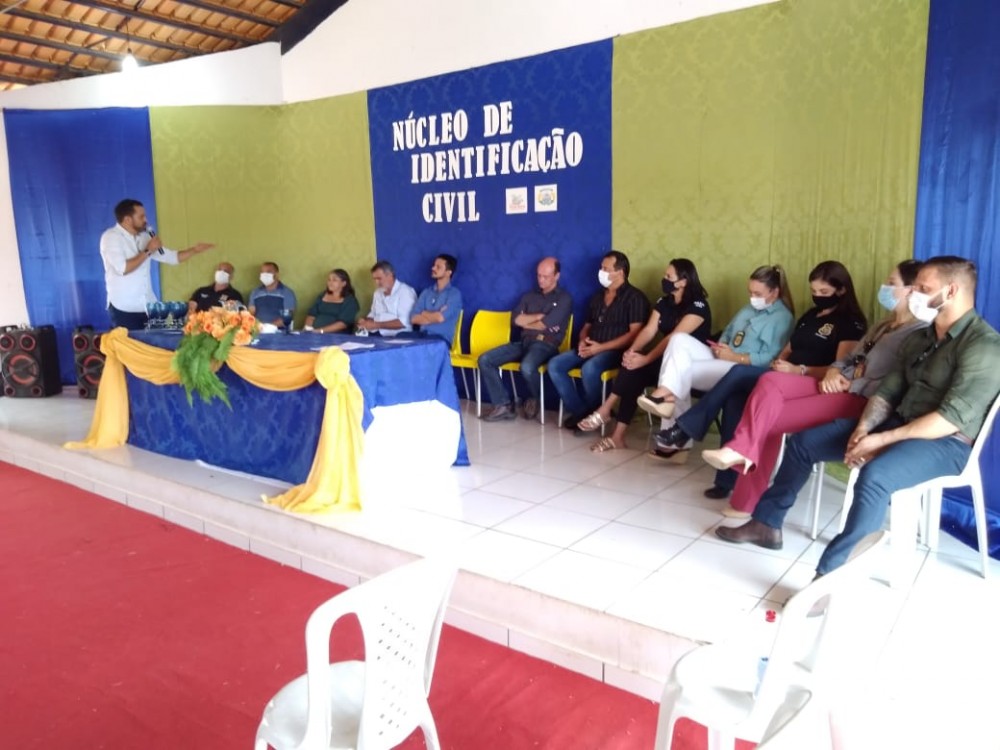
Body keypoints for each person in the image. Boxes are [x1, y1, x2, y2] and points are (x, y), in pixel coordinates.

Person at [716, 256, 1000, 577]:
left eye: (923, 288)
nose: (915, 294)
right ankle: (766, 524)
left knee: (875, 478)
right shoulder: (920, 338)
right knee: (803, 444)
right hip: (897, 425)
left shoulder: (984, 346)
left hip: (946, 444)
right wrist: (863, 429)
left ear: (951, 291)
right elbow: (888, 391)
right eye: (915, 286)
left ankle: (831, 575)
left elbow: (949, 419)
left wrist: (881, 438)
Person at [702, 260, 926, 517]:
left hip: (860, 398)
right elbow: (850, 358)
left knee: (767, 419)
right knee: (769, 381)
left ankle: (744, 495)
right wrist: (834, 370)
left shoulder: (918, 333)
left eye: (891, 283)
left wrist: (852, 381)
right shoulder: (883, 325)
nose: (885, 287)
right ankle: (741, 451)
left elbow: (894, 381)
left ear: (911, 289)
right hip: (837, 384)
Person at [655, 260, 867, 498]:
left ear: (842, 290)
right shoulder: (811, 315)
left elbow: (838, 370)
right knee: (735, 397)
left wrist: (799, 370)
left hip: (809, 382)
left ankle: (687, 428)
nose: (818, 296)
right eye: (814, 291)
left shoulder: (849, 322)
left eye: (824, 292)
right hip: (783, 375)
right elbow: (788, 348)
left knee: (738, 373)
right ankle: (726, 480)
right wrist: (780, 361)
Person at [629, 265, 795, 463]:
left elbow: (771, 358)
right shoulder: (749, 308)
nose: (752, 297)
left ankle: (670, 424)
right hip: (721, 358)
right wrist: (722, 344)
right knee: (679, 340)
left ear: (774, 292)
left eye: (757, 293)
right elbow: (729, 330)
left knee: (679, 371)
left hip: (743, 369)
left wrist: (735, 357)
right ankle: (667, 396)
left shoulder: (782, 318)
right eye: (750, 292)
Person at [574, 259, 712, 451]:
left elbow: (673, 338)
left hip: (693, 366)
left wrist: (646, 359)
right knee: (631, 369)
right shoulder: (664, 302)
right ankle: (617, 436)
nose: (664, 280)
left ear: (683, 281)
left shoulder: (698, 306)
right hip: (666, 362)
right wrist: (632, 352)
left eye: (668, 277)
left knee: (640, 364)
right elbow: (648, 331)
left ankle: (605, 409)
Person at [547, 250, 650, 430]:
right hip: (591, 346)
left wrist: (601, 348)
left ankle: (599, 413)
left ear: (620, 272)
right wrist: (582, 341)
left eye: (606, 268)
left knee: (590, 368)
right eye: (601, 268)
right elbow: (587, 325)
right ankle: (584, 412)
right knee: (555, 364)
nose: (601, 272)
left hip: (617, 351)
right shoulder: (597, 297)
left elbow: (634, 334)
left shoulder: (635, 298)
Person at [479, 257, 573, 422]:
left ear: (557, 276)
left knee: (527, 367)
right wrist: (537, 317)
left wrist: (529, 322)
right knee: (485, 360)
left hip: (546, 344)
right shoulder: (529, 296)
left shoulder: (564, 298)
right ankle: (503, 405)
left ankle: (534, 398)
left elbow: (546, 324)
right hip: (524, 342)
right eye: (539, 276)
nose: (541, 280)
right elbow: (515, 320)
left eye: (546, 276)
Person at [99, 198, 214, 329]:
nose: (146, 220)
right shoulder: (110, 237)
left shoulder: (144, 237)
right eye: (141, 216)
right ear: (127, 220)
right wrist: (148, 250)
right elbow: (123, 268)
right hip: (124, 307)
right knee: (132, 348)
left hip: (148, 305)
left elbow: (172, 257)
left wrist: (194, 250)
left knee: (153, 346)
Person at [409, 254, 463, 346]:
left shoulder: (454, 294)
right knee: (400, 337)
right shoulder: (426, 292)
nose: (433, 268)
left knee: (422, 347)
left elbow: (440, 318)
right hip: (422, 335)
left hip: (440, 338)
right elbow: (413, 319)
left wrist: (423, 313)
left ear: (448, 272)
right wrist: (435, 316)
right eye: (434, 265)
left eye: (438, 267)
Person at [356, 260, 417, 337]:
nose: (376, 282)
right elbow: (373, 314)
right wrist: (365, 321)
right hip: (377, 335)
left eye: (379, 278)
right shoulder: (377, 293)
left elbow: (403, 322)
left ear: (390, 275)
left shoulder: (405, 292)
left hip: (399, 336)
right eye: (374, 279)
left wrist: (376, 325)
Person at [303, 269, 360, 333]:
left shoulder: (350, 301)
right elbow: (311, 315)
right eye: (329, 280)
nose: (330, 283)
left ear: (344, 283)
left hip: (337, 336)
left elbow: (343, 324)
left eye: (334, 280)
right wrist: (308, 328)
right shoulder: (322, 295)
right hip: (314, 333)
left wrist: (321, 331)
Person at [248, 262, 297, 328]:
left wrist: (269, 327)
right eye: (262, 272)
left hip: (279, 333)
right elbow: (250, 314)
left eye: (268, 272)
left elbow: (287, 317)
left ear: (276, 274)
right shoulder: (255, 292)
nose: (264, 275)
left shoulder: (287, 293)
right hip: (257, 330)